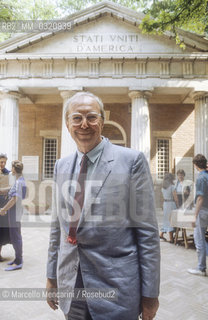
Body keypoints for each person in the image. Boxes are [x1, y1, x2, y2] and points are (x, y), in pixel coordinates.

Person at [46, 91, 160, 320]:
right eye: (76, 118)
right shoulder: (61, 165)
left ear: (102, 121)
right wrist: (51, 276)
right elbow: (57, 226)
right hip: (72, 285)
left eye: (91, 117)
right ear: (68, 124)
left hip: (116, 289)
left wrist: (150, 295)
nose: (84, 124)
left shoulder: (131, 161)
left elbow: (147, 233)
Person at [0, 160, 26, 271]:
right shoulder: (19, 180)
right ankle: (17, 259)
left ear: (14, 169)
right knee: (15, 235)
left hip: (14, 211)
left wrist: (3, 209)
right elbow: (9, 190)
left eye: (12, 168)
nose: (11, 170)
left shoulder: (19, 182)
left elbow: (14, 199)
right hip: (15, 211)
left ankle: (19, 261)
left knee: (16, 237)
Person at [187, 154, 208, 276]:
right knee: (201, 237)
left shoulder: (201, 177)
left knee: (199, 239)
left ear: (195, 165)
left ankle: (201, 268)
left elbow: (200, 198)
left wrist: (194, 216)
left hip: (202, 211)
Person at [160, 173, 177, 243]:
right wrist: (178, 205)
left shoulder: (163, 188)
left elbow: (161, 197)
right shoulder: (172, 186)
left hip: (165, 204)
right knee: (171, 220)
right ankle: (171, 238)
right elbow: (175, 198)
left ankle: (161, 234)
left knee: (166, 219)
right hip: (171, 203)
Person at [0, 153, 11, 262]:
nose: (2, 164)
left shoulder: (8, 173)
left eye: (4, 162)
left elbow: (11, 187)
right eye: (1, 162)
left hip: (3, 203)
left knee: (2, 229)